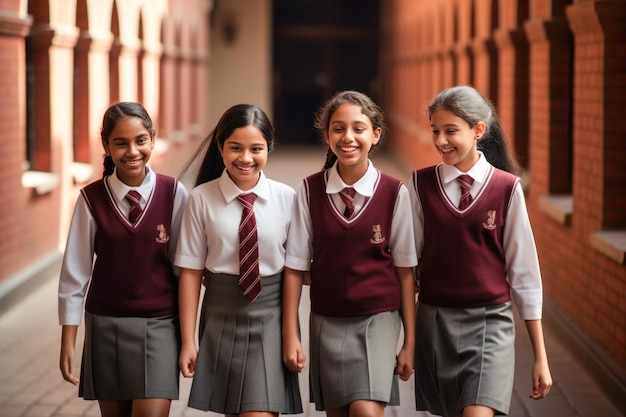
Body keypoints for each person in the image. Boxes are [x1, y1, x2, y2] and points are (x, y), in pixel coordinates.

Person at [409, 85, 553, 417]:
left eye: (450, 131)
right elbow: (407, 264)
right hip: (435, 322)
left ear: (478, 130)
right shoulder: (419, 186)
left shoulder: (506, 188)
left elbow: (525, 274)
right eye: (435, 130)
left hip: (491, 324)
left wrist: (540, 357)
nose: (440, 140)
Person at [282, 90, 417, 417]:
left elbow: (405, 271)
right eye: (338, 128)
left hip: (379, 319)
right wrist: (291, 334)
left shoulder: (393, 193)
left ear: (375, 134)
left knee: (366, 411)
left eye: (358, 128)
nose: (348, 137)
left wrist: (410, 341)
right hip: (326, 321)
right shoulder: (309, 191)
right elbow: (295, 267)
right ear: (327, 135)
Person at [58, 102, 188, 417]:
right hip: (106, 326)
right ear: (106, 145)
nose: (132, 150)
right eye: (121, 142)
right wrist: (68, 339)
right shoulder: (91, 199)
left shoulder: (174, 193)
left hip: (159, 325)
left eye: (140, 140)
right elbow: (75, 275)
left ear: (153, 139)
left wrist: (188, 338)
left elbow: (184, 270)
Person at [175, 104, 303, 416]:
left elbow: (294, 271)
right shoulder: (200, 199)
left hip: (271, 316)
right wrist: (188, 340)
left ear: (269, 148)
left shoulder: (288, 198)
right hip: (220, 315)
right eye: (235, 148)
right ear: (220, 147)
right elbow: (190, 273)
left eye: (256, 149)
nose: (245, 158)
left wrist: (291, 335)